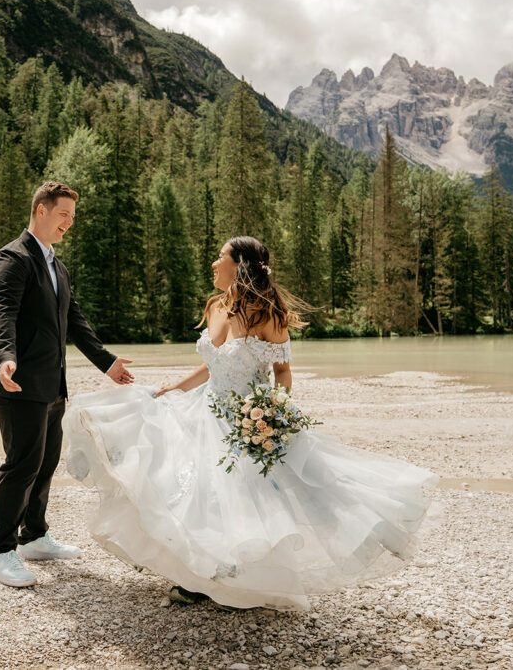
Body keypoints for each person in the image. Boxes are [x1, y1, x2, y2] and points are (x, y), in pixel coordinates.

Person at [63, 235, 439, 610]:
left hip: (247, 418)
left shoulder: (267, 313)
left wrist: (275, 412)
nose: (213, 263)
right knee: (191, 491)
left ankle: (235, 578)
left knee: (243, 499)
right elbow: (214, 365)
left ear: (239, 264)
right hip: (205, 409)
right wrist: (174, 388)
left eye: (220, 256)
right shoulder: (215, 306)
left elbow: (283, 371)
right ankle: (199, 574)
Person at [0, 181, 135, 588]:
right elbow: (3, 314)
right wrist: (5, 357)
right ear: (41, 210)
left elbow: (75, 323)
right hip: (17, 384)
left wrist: (107, 363)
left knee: (45, 463)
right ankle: (0, 552)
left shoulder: (56, 266)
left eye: (72, 216)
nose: (70, 222)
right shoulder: (12, 259)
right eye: (64, 214)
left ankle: (33, 536)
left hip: (52, 385)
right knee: (22, 465)